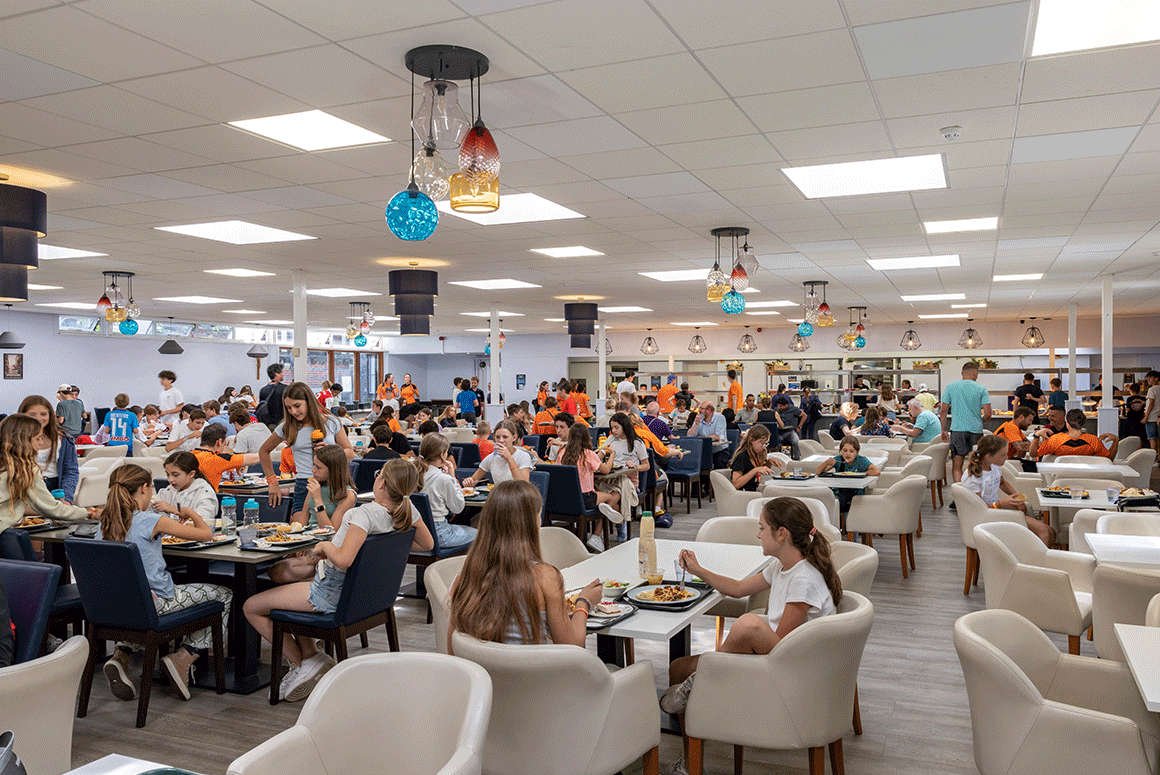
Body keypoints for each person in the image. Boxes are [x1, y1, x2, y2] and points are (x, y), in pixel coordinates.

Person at [244, 459, 433, 702]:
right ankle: (312, 654)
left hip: (333, 592)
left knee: (251, 607)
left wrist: (325, 546)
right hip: (367, 594)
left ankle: (302, 664)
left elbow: (343, 560)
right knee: (286, 587)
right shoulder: (406, 509)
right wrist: (388, 549)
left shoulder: (363, 514)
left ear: (383, 482)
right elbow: (427, 544)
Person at [660, 497, 841, 723]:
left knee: (749, 624)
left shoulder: (803, 579)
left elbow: (782, 647)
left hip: (797, 669)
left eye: (762, 528)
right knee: (678, 668)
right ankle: (691, 734)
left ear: (781, 533)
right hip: (782, 655)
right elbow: (738, 588)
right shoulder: (782, 566)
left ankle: (706, 676)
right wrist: (698, 570)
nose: (758, 535)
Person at [97, 464, 230, 701]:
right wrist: (189, 513)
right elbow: (206, 534)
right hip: (156, 604)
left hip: (115, 606)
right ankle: (184, 656)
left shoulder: (103, 523)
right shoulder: (151, 520)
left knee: (142, 604)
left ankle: (121, 655)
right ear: (144, 488)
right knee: (223, 594)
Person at [448, 479, 603, 648]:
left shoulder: (464, 580)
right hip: (534, 675)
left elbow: (452, 649)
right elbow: (573, 646)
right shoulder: (546, 578)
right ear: (531, 522)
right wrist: (583, 603)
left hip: (483, 674)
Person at [259, 382, 353, 514]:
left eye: (297, 406)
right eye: (289, 408)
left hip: (333, 483)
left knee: (329, 528)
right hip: (304, 483)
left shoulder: (331, 422)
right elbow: (263, 451)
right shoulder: (288, 427)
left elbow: (350, 453)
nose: (293, 412)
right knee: (299, 529)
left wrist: (331, 452)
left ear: (309, 401)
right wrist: (272, 482)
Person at [0, 414, 91, 532]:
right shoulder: (25, 470)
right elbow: (52, 509)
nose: (41, 443)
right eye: (38, 438)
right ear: (23, 442)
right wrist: (89, 512)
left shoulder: (7, 466)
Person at [961, 435, 1055, 546]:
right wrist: (1000, 504)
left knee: (1051, 532)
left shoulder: (994, 466)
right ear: (988, 456)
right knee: (1044, 532)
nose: (1006, 457)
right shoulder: (974, 477)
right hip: (986, 517)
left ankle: (1035, 558)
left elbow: (1002, 482)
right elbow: (976, 508)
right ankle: (1032, 560)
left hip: (995, 510)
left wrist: (1015, 496)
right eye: (1003, 455)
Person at [416, 433, 476, 547]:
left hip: (416, 534)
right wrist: (452, 477)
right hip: (439, 533)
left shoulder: (411, 474)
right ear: (443, 454)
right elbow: (458, 508)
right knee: (479, 534)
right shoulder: (444, 478)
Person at [19, 394, 80, 503]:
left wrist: (66, 498)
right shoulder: (15, 439)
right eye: (32, 414)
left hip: (55, 489)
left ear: (51, 415)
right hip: (25, 489)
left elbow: (70, 471)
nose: (38, 418)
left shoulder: (63, 438)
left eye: (43, 414)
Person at [940, 361, 992, 485]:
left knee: (957, 466)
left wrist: (944, 430)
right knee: (975, 465)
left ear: (962, 373)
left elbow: (943, 411)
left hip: (957, 431)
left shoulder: (951, 387)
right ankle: (973, 494)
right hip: (976, 432)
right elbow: (988, 413)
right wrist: (979, 422)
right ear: (975, 373)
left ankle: (958, 495)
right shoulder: (981, 388)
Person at [816, 436, 881, 514]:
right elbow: (818, 471)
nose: (847, 453)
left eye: (851, 451)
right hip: (838, 493)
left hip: (856, 494)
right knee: (829, 503)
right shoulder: (839, 460)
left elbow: (876, 471)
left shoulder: (861, 460)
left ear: (857, 452)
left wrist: (862, 474)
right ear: (840, 450)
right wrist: (826, 462)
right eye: (845, 450)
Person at [153, 451, 220, 526]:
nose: (170, 479)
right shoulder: (170, 490)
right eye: (167, 474)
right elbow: (152, 513)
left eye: (175, 475)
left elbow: (204, 518)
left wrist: (173, 509)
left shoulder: (204, 491)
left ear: (191, 474)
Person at [462, 420, 533, 487]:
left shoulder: (523, 456)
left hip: (518, 497)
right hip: (499, 497)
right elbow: (474, 480)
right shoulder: (491, 458)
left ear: (514, 437)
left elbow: (523, 486)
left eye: (505, 437)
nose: (501, 440)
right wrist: (469, 482)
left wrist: (509, 459)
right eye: (498, 437)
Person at [1029, 409, 1118, 460]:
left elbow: (1033, 454)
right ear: (1082, 423)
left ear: (1067, 423)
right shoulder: (1094, 440)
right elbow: (1109, 459)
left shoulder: (1055, 439)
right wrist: (1115, 441)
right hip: (1085, 480)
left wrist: (1037, 435)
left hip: (1061, 480)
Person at [191, 424, 259, 491]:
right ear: (219, 442)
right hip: (207, 499)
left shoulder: (188, 455)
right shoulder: (217, 459)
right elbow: (255, 458)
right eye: (224, 444)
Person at [731, 424, 782, 492]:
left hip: (753, 490)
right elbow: (736, 484)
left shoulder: (755, 454)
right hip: (743, 495)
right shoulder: (742, 457)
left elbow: (759, 470)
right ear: (751, 440)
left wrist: (768, 463)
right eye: (762, 443)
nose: (764, 447)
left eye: (766, 444)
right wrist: (755, 470)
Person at [690, 400, 729, 469]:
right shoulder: (699, 419)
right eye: (700, 408)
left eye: (702, 408)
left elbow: (718, 437)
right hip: (704, 450)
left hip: (719, 450)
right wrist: (696, 424)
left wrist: (700, 437)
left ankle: (717, 479)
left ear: (709, 410)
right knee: (692, 461)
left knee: (719, 462)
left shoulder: (720, 418)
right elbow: (690, 436)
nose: (699, 410)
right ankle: (702, 479)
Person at [258, 363, 288, 428]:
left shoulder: (263, 390)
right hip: (282, 423)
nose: (283, 375)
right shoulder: (285, 388)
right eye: (281, 373)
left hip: (268, 424)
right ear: (276, 374)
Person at [1144, 370, 1160, 455]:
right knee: (1158, 440)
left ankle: (1153, 459)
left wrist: (1146, 417)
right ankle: (1158, 459)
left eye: (1150, 379)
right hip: (1158, 417)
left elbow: (1151, 404)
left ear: (1156, 379)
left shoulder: (1152, 390)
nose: (1148, 381)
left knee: (1152, 439)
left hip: (1151, 418)